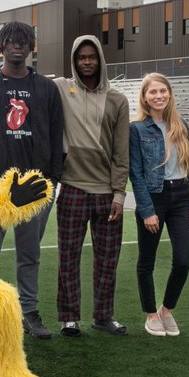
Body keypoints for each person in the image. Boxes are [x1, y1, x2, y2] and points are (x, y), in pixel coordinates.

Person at [0, 21, 64, 339]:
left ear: (32, 46)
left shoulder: (47, 89)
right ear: (0, 46)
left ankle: (29, 312)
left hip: (35, 185)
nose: (17, 46)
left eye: (23, 41)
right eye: (10, 41)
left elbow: (55, 131)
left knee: (30, 253)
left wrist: (52, 178)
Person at [53, 36, 131, 337]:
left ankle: (103, 316)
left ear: (100, 59)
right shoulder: (60, 88)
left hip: (107, 194)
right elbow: (25, 80)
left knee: (107, 259)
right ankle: (69, 317)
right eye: (81, 57)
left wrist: (119, 194)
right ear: (74, 61)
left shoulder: (117, 100)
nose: (87, 62)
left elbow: (121, 154)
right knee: (68, 256)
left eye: (92, 57)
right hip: (72, 188)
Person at [129, 73, 189, 337]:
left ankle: (166, 310)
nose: (159, 96)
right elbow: (135, 173)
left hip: (182, 196)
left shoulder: (179, 124)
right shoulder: (136, 129)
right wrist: (147, 210)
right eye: (153, 92)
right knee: (146, 261)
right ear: (145, 97)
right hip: (154, 197)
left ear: (169, 93)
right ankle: (150, 315)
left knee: (183, 261)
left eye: (163, 91)